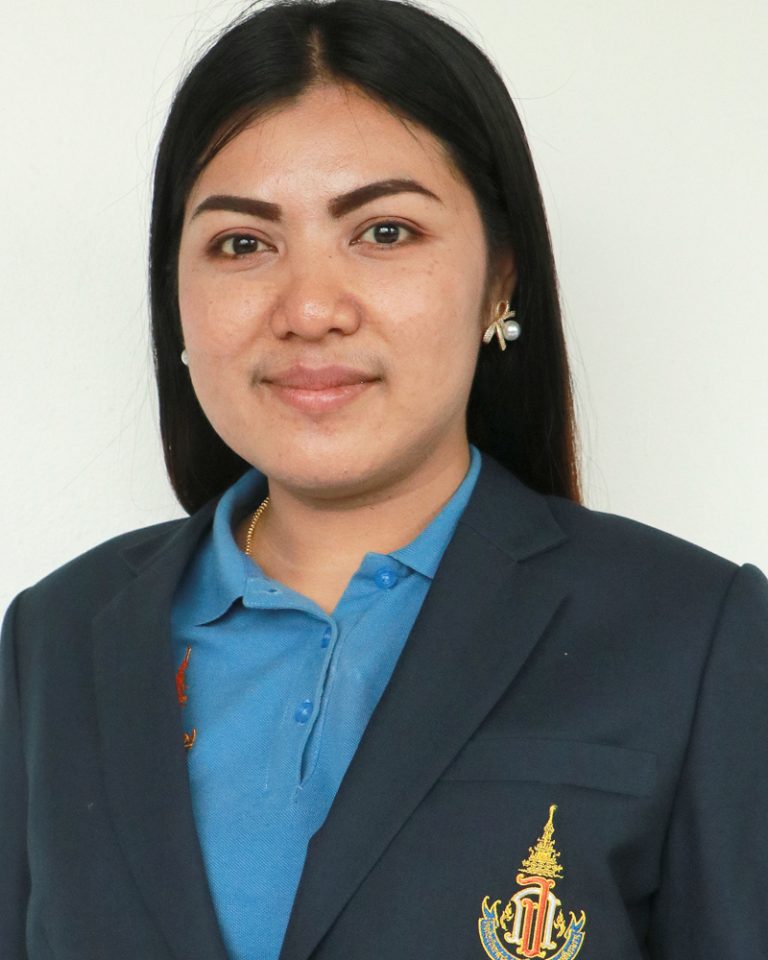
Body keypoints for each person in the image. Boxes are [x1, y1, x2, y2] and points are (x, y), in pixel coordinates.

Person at [1, 1, 766, 958]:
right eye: (243, 244)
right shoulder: (57, 639)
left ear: (500, 279)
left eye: (386, 232)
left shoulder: (693, 635)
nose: (310, 308)